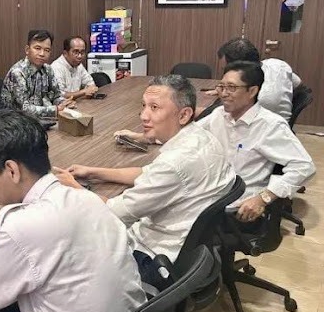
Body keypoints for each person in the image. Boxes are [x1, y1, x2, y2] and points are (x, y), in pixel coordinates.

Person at [0, 110, 146, 312]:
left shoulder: (23, 227)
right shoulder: (86, 198)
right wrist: (11, 247)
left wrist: (3, 246)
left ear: (11, 170)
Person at [54, 75, 235, 287]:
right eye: (144, 106)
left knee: (66, 242)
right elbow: (147, 173)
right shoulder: (201, 138)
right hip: (189, 251)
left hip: (154, 259)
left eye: (154, 107)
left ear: (184, 115)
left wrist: (74, 187)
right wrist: (94, 172)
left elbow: (113, 213)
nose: (143, 115)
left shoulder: (175, 163)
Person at [197, 61, 315, 222]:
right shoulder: (219, 114)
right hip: (211, 192)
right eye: (221, 87)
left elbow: (305, 167)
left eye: (231, 87)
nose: (223, 93)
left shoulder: (269, 125)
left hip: (237, 205)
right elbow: (190, 135)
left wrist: (263, 198)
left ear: (252, 91)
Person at [212, 37, 301, 121]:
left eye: (225, 69)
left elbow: (226, 114)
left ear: (241, 67)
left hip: (262, 128)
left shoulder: (260, 98)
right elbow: (298, 85)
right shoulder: (278, 64)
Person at [0, 29, 74, 119]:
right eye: (37, 48)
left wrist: (64, 103)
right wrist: (55, 110)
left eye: (47, 50)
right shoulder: (18, 73)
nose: (42, 54)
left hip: (40, 120)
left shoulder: (48, 69)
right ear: (27, 50)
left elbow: (56, 96)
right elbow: (24, 109)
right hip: (13, 122)